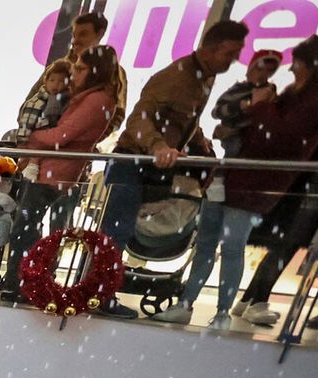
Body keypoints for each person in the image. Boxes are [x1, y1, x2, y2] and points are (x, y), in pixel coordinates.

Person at [155, 36, 318, 330]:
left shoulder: (315, 102)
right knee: (207, 242)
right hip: (234, 173)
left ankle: (222, 313)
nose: (292, 70)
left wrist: (256, 108)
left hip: (254, 181)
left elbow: (284, 137)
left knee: (231, 246)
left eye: (298, 63)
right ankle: (186, 303)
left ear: (313, 65)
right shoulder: (295, 96)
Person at [99, 19, 249, 318]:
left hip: (150, 164)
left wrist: (202, 144)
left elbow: (182, 122)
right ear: (210, 49)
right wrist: (157, 147)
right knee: (117, 231)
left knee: (123, 230)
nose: (233, 61)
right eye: (229, 53)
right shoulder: (177, 78)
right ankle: (100, 295)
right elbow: (139, 118)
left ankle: (102, 291)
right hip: (133, 160)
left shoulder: (202, 78)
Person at [2, 46, 122, 302]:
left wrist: (31, 138)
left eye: (80, 69)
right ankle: (21, 283)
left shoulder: (97, 100)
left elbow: (61, 135)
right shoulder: (88, 98)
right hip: (52, 169)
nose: (74, 73)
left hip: (55, 172)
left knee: (25, 230)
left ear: (94, 71)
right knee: (28, 229)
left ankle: (20, 285)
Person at [210, 49, 283, 157]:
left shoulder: (270, 93)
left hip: (258, 137)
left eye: (269, 71)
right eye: (259, 69)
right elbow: (216, 112)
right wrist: (239, 107)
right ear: (251, 68)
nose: (263, 74)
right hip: (235, 135)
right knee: (235, 151)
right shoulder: (237, 91)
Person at [11, 59, 71, 145]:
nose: (56, 84)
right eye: (52, 80)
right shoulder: (36, 103)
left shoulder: (65, 101)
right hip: (33, 146)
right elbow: (25, 126)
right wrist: (23, 145)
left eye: (61, 81)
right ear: (45, 81)